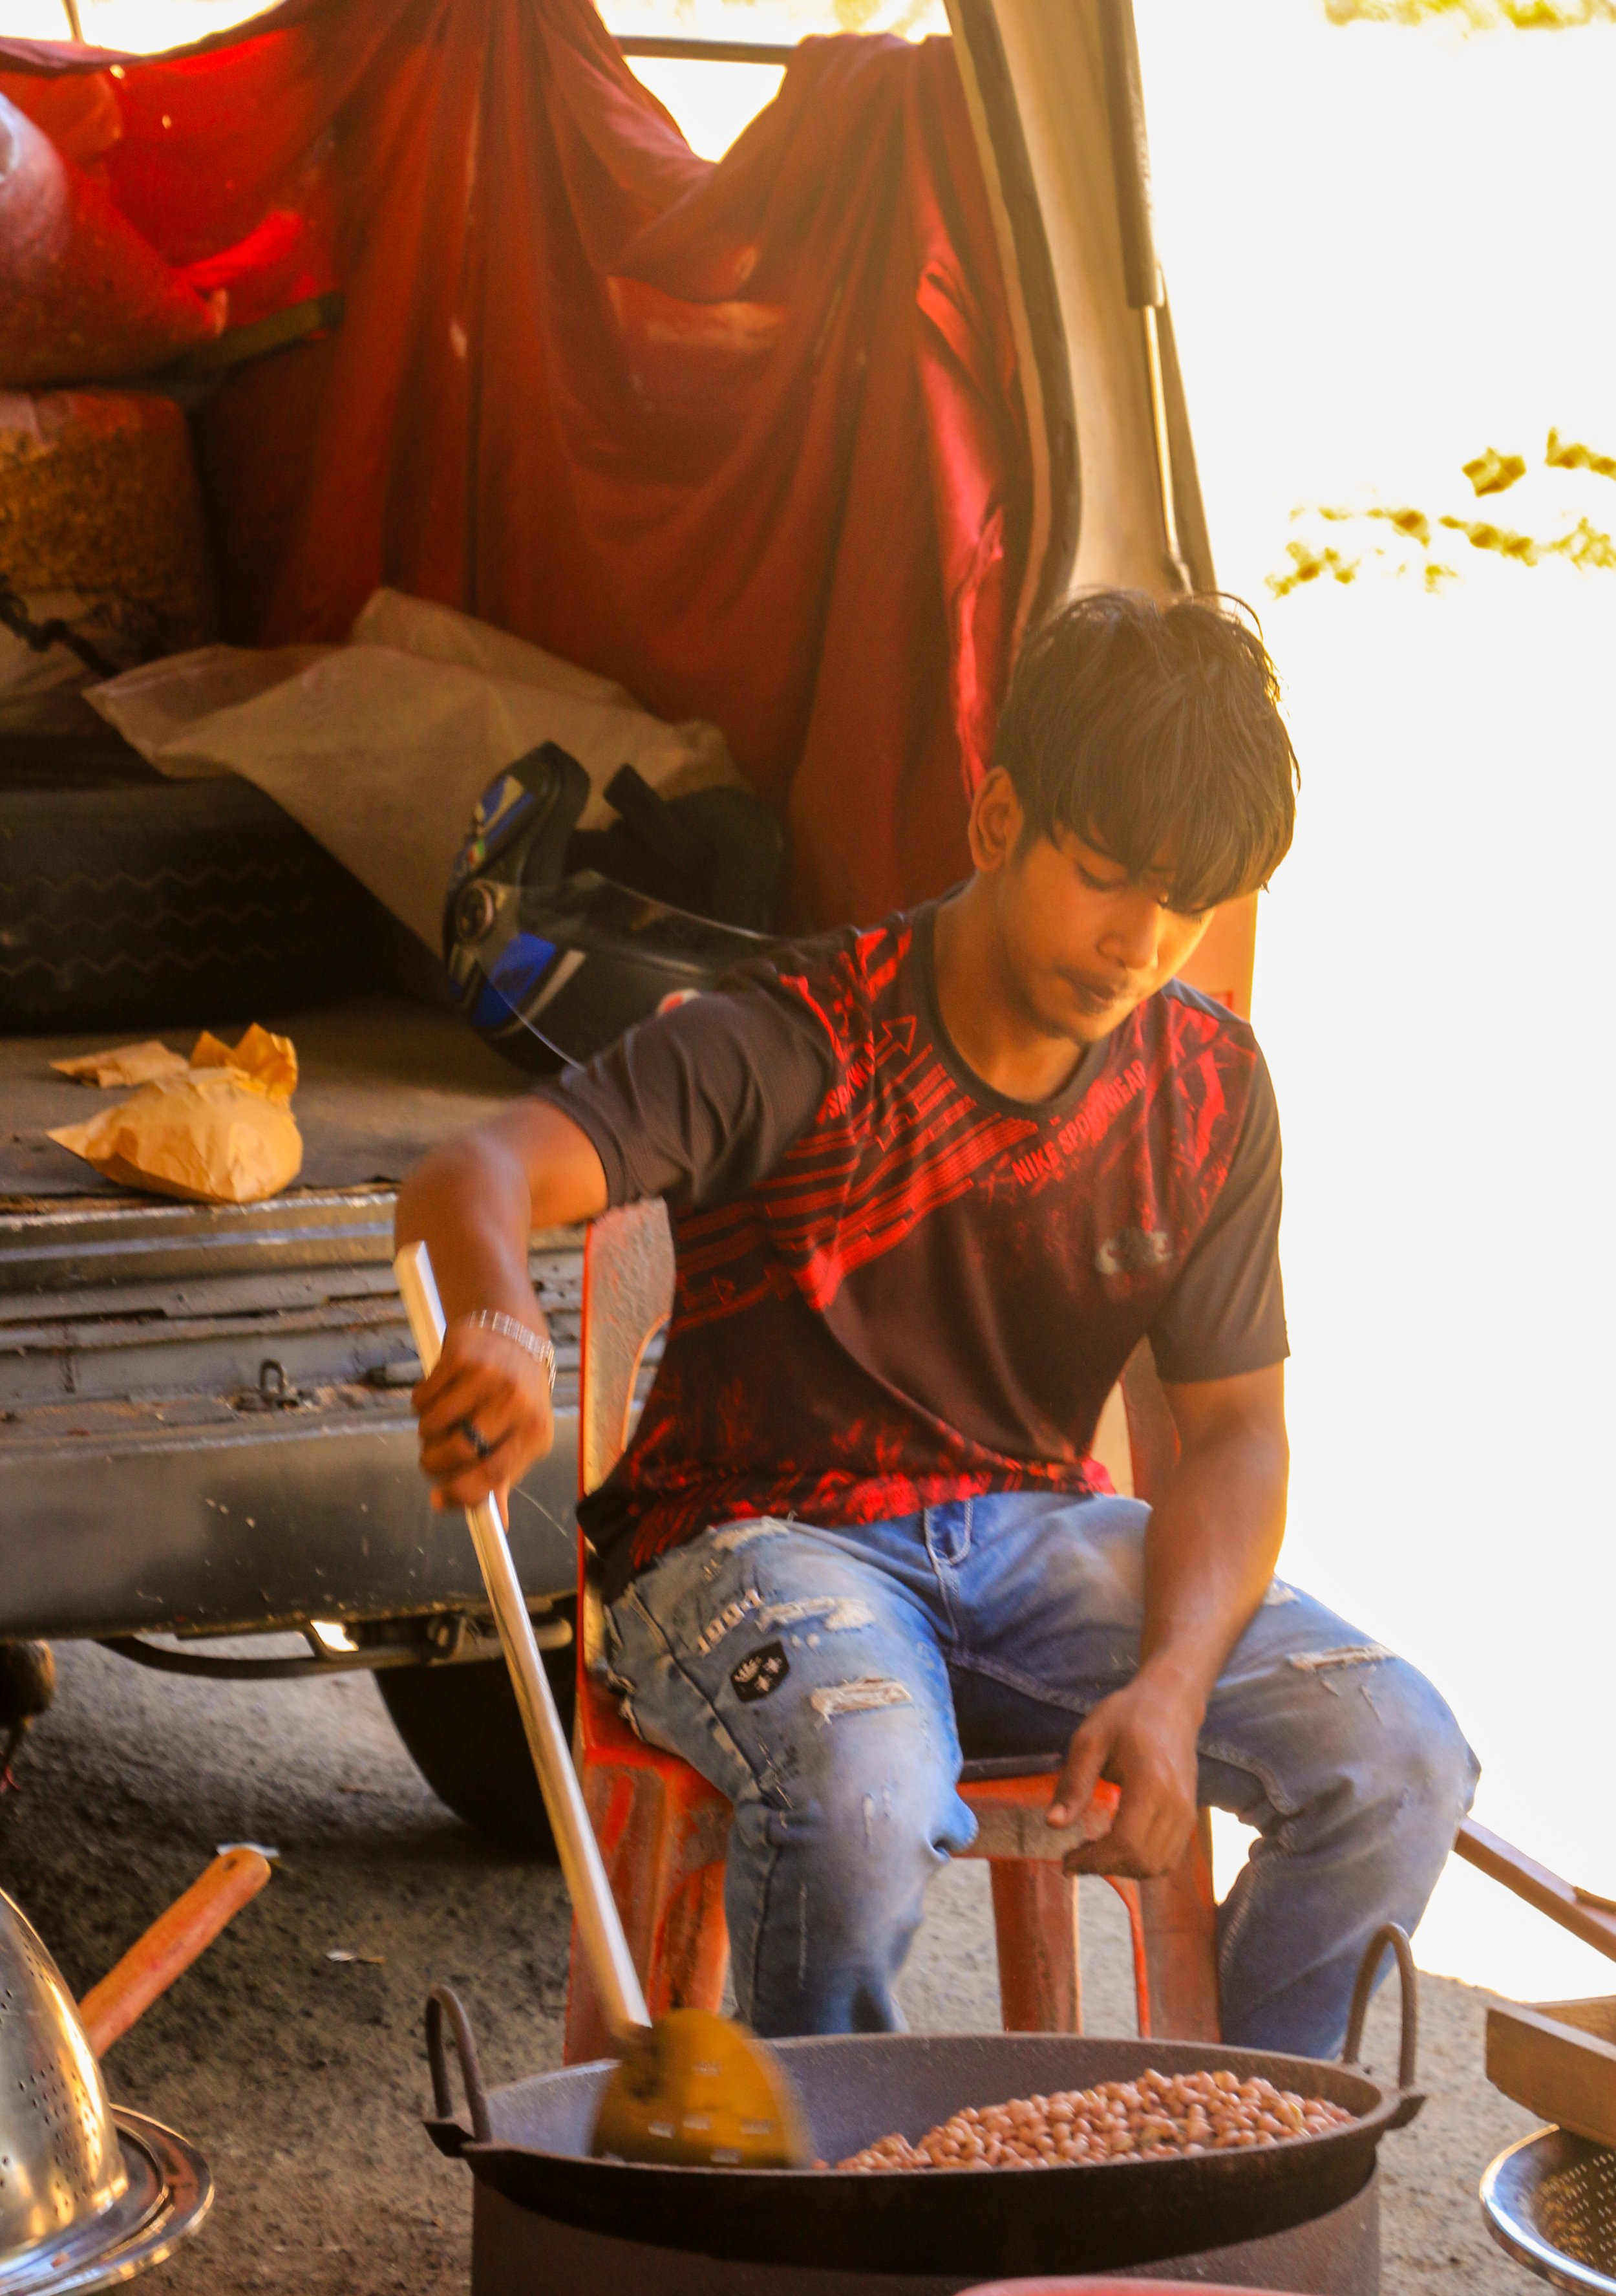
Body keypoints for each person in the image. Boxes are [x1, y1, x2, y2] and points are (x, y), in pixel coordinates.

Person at [396, 590, 1478, 2058]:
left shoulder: (1208, 1091)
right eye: (1105, 876)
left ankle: (1243, 2144)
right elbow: (473, 1173)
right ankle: (845, 2172)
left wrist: (1169, 1688)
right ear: (997, 819)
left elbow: (1235, 1434)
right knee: (865, 1795)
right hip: (751, 1543)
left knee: (1400, 1753)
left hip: (1034, 1543)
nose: (1138, 942)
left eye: (1186, 904)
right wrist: (504, 1329)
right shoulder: (798, 1037)